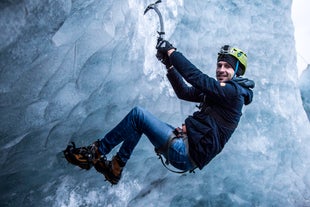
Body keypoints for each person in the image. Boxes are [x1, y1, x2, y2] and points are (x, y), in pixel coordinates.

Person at [63, 40, 255, 185]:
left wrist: (172, 52)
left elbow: (196, 78)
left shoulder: (233, 93)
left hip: (185, 153)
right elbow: (185, 92)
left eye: (227, 66)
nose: (221, 69)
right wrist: (169, 65)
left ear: (237, 71)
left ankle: (95, 153)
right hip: (185, 147)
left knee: (138, 115)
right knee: (137, 124)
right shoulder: (221, 92)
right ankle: (115, 167)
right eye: (219, 65)